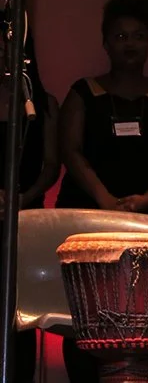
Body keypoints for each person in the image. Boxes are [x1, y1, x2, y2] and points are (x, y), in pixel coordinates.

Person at [55, 0, 148, 383]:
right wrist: (104, 200)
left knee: (145, 315)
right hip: (88, 215)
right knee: (84, 314)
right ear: (105, 42)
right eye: (119, 36)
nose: (129, 44)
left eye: (138, 36)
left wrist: (145, 201)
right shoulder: (83, 93)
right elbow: (70, 151)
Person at [0, 30, 59, 383]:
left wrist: (23, 198)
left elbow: (51, 164)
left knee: (20, 311)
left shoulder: (40, 103)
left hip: (26, 217)